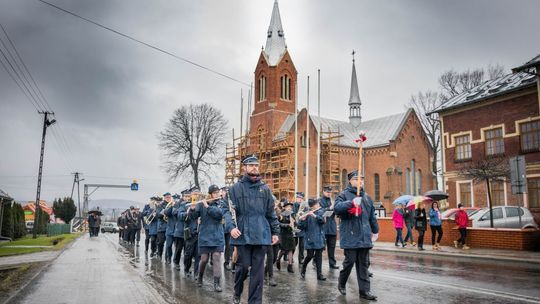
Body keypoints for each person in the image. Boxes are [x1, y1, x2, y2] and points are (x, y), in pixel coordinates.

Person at [229, 155, 280, 304]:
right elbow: (227, 211)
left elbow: (270, 213)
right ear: (244, 167)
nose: (254, 168)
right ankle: (237, 291)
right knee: (243, 267)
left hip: (261, 234)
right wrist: (231, 227)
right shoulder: (235, 189)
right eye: (251, 165)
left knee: (258, 274)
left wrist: (275, 231)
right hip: (242, 234)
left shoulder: (265, 189)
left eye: (256, 165)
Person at [334, 170, 379, 301]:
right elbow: (336, 208)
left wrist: (375, 231)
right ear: (350, 181)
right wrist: (351, 202)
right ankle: (342, 282)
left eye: (362, 179)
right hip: (350, 234)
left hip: (364, 236)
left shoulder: (367, 197)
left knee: (363, 265)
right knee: (349, 262)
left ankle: (365, 291)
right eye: (357, 179)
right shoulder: (343, 195)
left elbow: (372, 217)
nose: (360, 181)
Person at [190, 184, 234, 292]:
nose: (217, 194)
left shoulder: (221, 203)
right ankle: (200, 277)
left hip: (217, 235)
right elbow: (193, 217)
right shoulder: (202, 203)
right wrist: (192, 209)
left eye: (218, 192)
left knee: (216, 257)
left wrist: (208, 207)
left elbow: (219, 214)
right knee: (204, 259)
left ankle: (217, 283)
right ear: (210, 194)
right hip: (204, 235)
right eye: (214, 192)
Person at [298, 198, 326, 281]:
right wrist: (302, 220)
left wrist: (315, 215)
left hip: (319, 237)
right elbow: (301, 227)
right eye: (316, 204)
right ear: (313, 206)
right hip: (309, 237)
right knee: (309, 255)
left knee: (318, 256)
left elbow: (323, 221)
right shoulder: (307, 213)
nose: (318, 205)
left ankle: (319, 274)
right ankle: (303, 268)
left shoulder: (321, 212)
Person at [319, 186, 339, 269]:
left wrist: (337, 209)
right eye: (327, 192)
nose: (329, 194)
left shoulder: (332, 201)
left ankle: (332, 263)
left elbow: (336, 212)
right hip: (323, 227)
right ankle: (315, 261)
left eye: (330, 192)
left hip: (332, 227)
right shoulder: (320, 201)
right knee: (320, 247)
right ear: (323, 191)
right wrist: (329, 208)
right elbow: (320, 211)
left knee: (332, 247)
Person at [183, 187, 201, 278]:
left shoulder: (202, 204)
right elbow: (180, 216)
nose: (196, 195)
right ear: (191, 195)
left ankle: (196, 273)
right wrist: (188, 211)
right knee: (188, 254)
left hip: (200, 233)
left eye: (198, 194)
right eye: (195, 194)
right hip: (190, 233)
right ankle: (186, 269)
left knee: (198, 255)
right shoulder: (186, 204)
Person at [276, 199, 295, 274]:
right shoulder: (281, 214)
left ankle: (290, 266)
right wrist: (287, 225)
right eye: (288, 206)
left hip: (290, 234)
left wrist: (294, 224)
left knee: (291, 249)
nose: (290, 208)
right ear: (285, 207)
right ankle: (278, 259)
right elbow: (278, 224)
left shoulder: (292, 214)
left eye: (290, 206)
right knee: (283, 250)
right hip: (283, 234)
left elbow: (294, 224)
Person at [172, 190, 189, 271]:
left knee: (187, 250)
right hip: (180, 229)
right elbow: (175, 213)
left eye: (188, 196)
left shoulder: (191, 203)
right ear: (182, 196)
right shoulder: (179, 204)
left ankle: (186, 266)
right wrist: (185, 212)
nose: (187, 198)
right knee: (179, 248)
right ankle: (176, 262)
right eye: (186, 196)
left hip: (188, 230)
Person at [163, 193, 179, 264]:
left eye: (177, 199)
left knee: (177, 248)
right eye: (174, 199)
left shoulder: (180, 206)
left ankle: (175, 260)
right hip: (170, 230)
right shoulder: (170, 205)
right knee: (168, 246)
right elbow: (166, 212)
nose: (175, 200)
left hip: (177, 230)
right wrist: (171, 206)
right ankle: (168, 258)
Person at [293, 192, 307, 265]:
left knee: (302, 245)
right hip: (295, 227)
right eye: (298, 198)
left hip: (302, 227)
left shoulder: (305, 206)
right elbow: (292, 214)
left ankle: (301, 259)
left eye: (301, 198)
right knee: (294, 244)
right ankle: (290, 256)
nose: (299, 199)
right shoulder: (294, 205)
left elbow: (306, 215)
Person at [221, 186, 233, 271]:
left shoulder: (230, 201)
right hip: (220, 227)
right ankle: (212, 258)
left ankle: (227, 262)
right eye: (224, 191)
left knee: (229, 245)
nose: (226, 193)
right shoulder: (219, 201)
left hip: (228, 226)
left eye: (227, 192)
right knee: (220, 245)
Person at [156, 193, 169, 259]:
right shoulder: (160, 205)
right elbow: (158, 215)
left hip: (169, 226)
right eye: (167, 197)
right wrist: (164, 211)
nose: (168, 198)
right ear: (164, 198)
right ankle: (159, 254)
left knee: (168, 244)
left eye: (169, 197)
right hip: (162, 227)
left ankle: (167, 258)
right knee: (161, 242)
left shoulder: (172, 204)